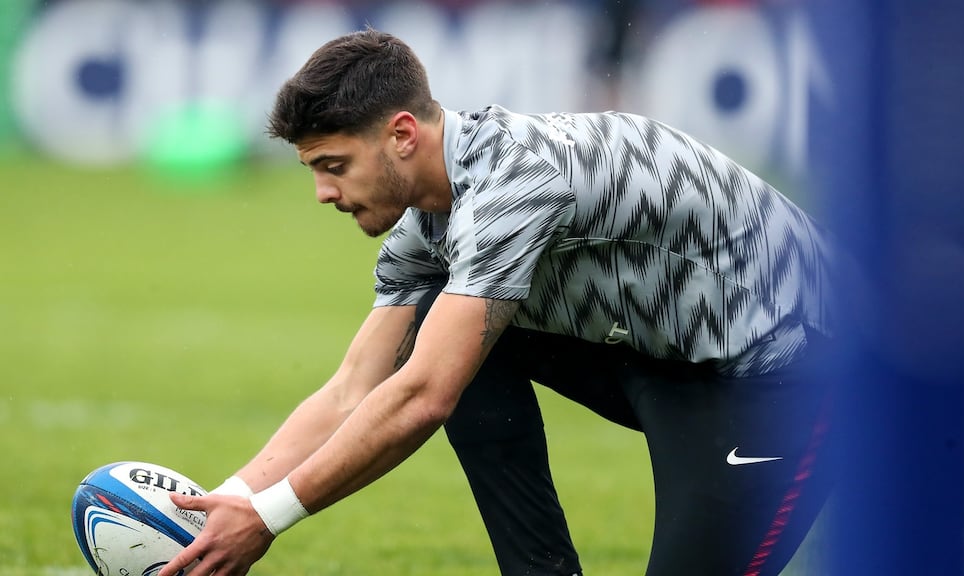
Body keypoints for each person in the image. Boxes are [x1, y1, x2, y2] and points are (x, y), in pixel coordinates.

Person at [159, 27, 839, 576]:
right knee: (435, 325)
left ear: (401, 135)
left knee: (441, 359)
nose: (323, 194)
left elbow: (424, 395)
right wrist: (230, 501)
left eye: (334, 166)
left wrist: (270, 517)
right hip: (668, 357)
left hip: (800, 379)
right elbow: (352, 389)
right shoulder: (426, 228)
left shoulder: (516, 182)